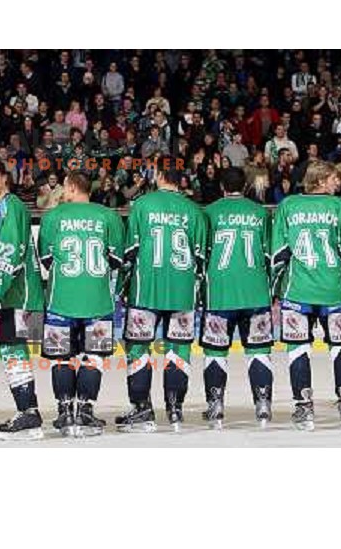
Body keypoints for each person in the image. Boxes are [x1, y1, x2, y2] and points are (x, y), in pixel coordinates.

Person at [115, 155, 207, 432]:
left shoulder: (142, 205)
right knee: (179, 349)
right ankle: (175, 408)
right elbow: (201, 260)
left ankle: (142, 410)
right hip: (182, 294)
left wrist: (123, 287)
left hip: (146, 292)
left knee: (139, 348)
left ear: (158, 178)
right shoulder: (195, 212)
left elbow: (129, 253)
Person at [271, 161, 341, 430]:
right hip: (335, 289)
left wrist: (274, 289)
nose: (338, 183)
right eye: (334, 179)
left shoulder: (288, 205)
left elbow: (278, 254)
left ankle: (303, 406)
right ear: (320, 180)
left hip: (297, 290)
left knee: (298, 349)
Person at [38, 171, 125, 436]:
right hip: (98, 300)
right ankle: (85, 411)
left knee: (61, 359)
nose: (62, 191)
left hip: (60, 300)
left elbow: (46, 260)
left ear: (74, 187)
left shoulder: (53, 216)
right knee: (94, 358)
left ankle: (65, 411)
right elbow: (117, 261)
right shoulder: (109, 216)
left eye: (65, 186)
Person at [200, 167, 273, 428]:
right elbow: (268, 255)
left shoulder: (209, 213)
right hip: (255, 293)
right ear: (245, 187)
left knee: (215, 352)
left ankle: (215, 405)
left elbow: (204, 254)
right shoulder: (260, 213)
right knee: (259, 352)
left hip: (219, 294)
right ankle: (263, 404)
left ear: (221, 186)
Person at [0, 158, 45, 440]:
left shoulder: (11, 206)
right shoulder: (2, 209)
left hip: (16, 294)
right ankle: (27, 410)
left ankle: (29, 412)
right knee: (10, 350)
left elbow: (9, 250)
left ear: (5, 177)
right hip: (11, 294)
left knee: (12, 349)